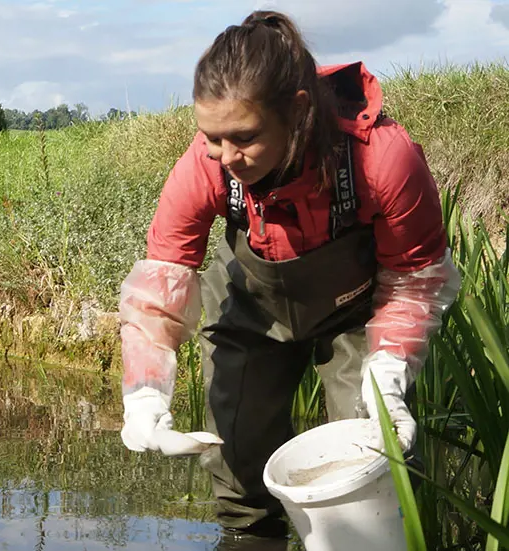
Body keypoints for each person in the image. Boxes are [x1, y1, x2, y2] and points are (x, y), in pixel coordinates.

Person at [117, 9, 461, 544]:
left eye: (244, 137)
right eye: (211, 137)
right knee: (237, 462)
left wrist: (389, 371)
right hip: (249, 310)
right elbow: (162, 282)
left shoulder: (382, 161)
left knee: (364, 467)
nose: (225, 157)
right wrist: (144, 395)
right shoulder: (209, 163)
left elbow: (415, 280)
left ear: (297, 112)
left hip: (354, 315)